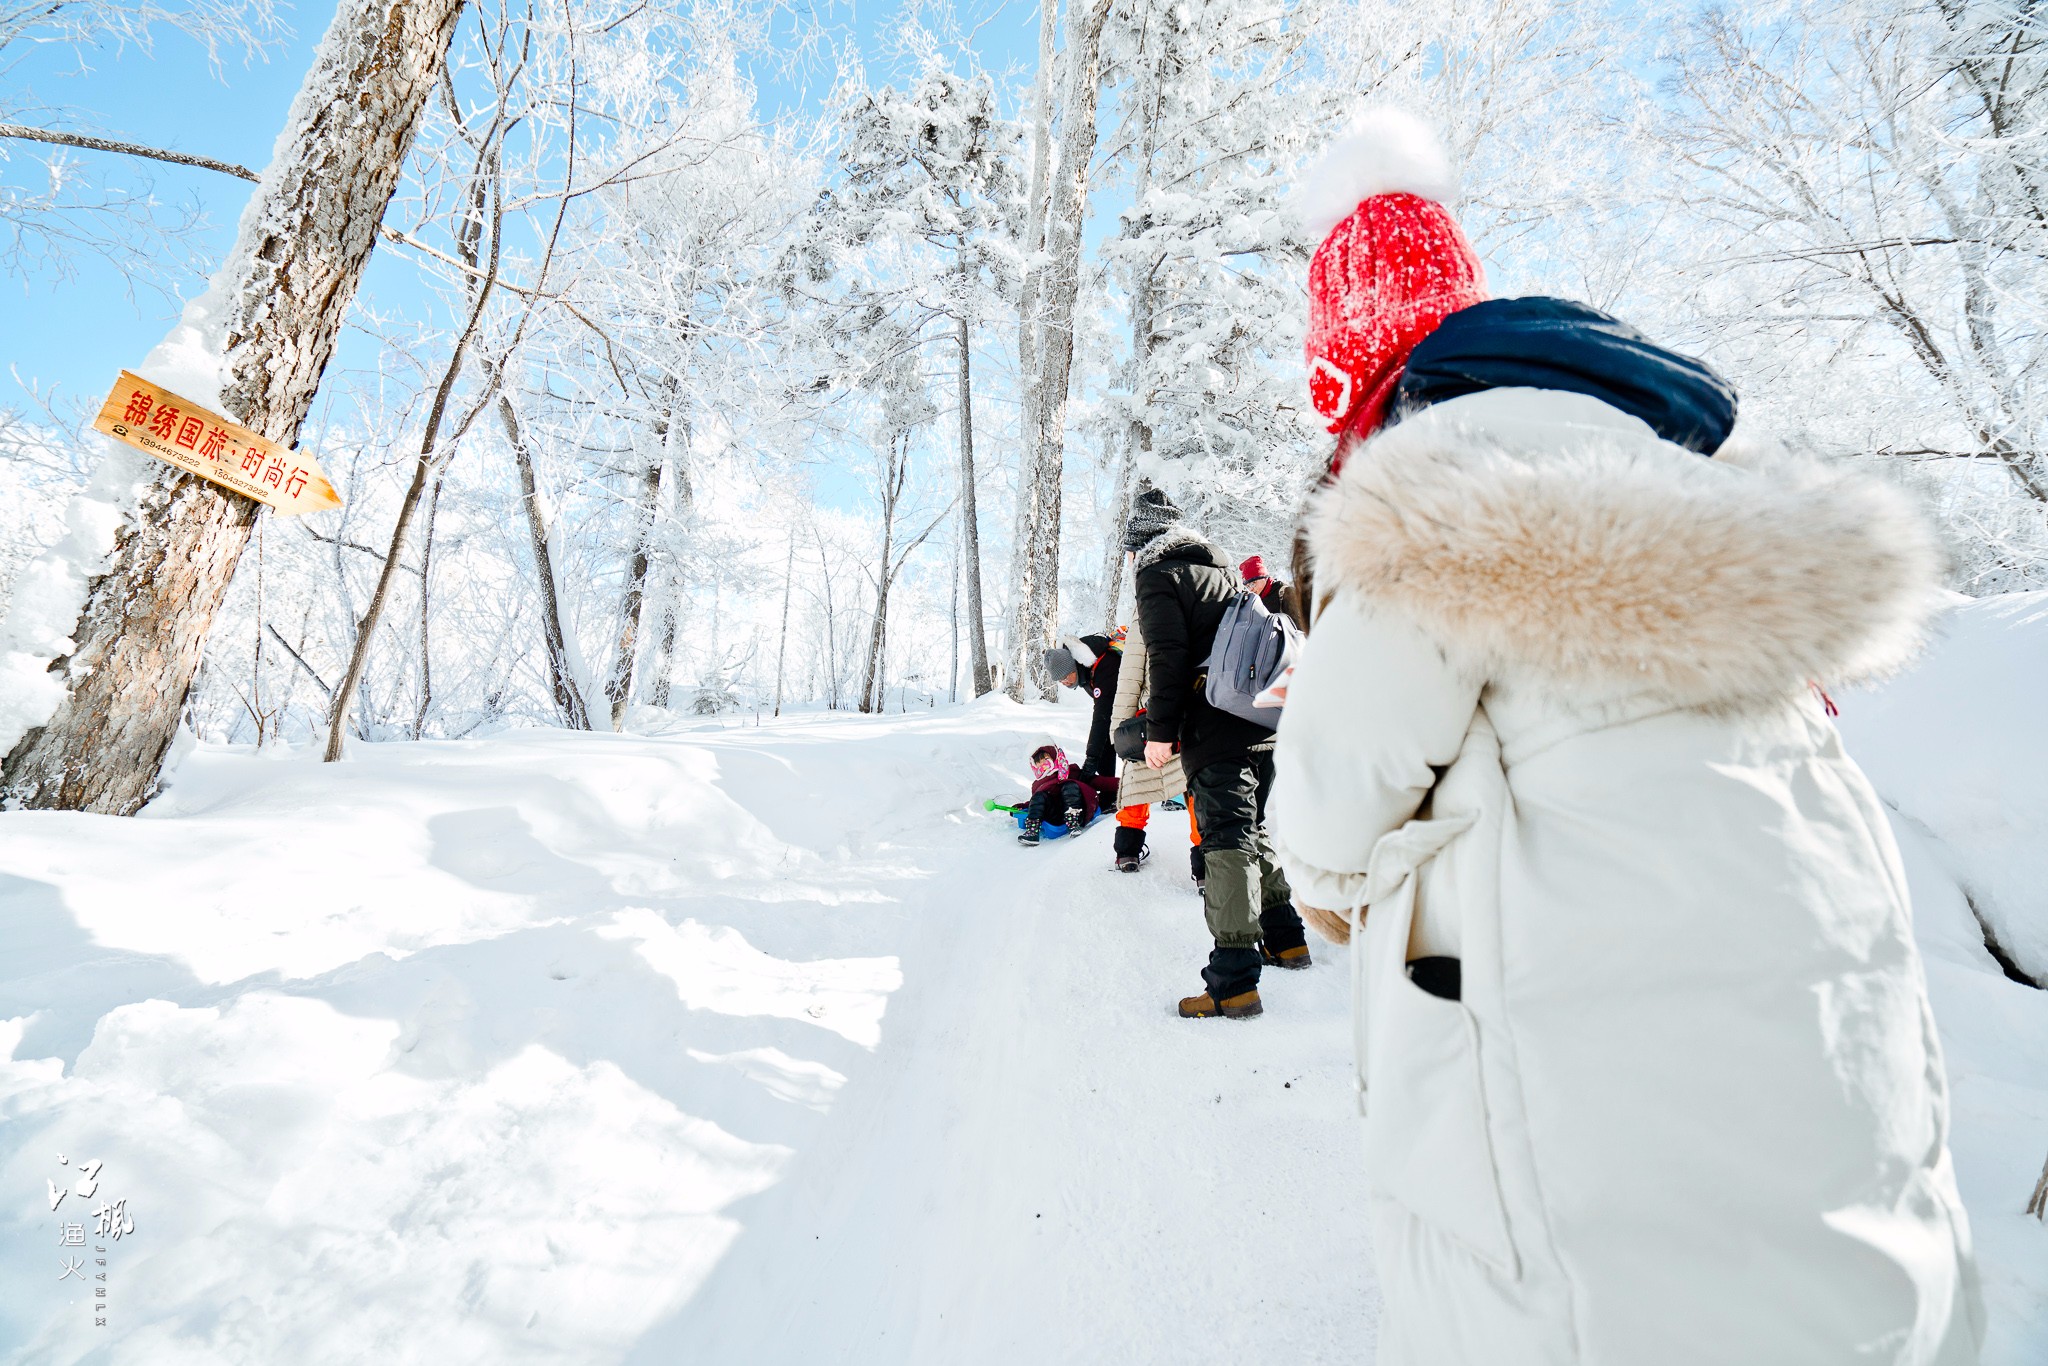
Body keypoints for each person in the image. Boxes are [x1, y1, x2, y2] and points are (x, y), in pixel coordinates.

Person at [1269, 111, 1979, 1363]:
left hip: (1583, 1211)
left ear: (1356, 377)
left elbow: (1329, 811)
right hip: (1849, 1167)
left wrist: (1334, 893)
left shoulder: (1427, 500)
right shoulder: (1699, 495)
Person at [1126, 488, 1311, 1020]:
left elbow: (1168, 657)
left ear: (1144, 541)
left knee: (1225, 843)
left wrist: (1160, 731)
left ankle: (1233, 982)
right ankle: (1286, 938)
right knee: (1249, 831)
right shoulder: (1221, 571)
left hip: (1214, 729)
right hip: (1258, 721)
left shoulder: (1158, 575)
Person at [1106, 611, 1202, 878]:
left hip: (1150, 714)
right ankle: (1206, 867)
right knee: (1195, 786)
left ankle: (1127, 852)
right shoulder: (1199, 598)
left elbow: (1130, 677)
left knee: (1138, 778)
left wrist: (1119, 729)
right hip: (1194, 711)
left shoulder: (1145, 612)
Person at [1043, 631, 1122, 782]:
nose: (1065, 682)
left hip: (1145, 703)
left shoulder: (1104, 665)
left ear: (1073, 667)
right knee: (1105, 739)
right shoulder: (1085, 672)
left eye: (1065, 677)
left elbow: (1102, 715)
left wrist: (1091, 759)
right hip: (1119, 704)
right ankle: (1108, 792)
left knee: (1127, 741)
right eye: (1060, 680)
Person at [1018, 742, 1096, 847]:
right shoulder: (1038, 784)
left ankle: (1073, 822)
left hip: (1075, 809)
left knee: (1069, 785)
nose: (1043, 764)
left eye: (1045, 759)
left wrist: (1121, 785)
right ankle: (1032, 832)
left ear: (1054, 757)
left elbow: (1096, 781)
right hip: (1054, 815)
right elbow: (1037, 802)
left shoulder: (1070, 770)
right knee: (1039, 795)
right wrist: (1022, 806)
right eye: (1038, 762)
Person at [1235, 555, 1301, 628]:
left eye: (1253, 584)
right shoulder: (1255, 601)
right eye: (1248, 586)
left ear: (1263, 578)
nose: (1251, 589)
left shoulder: (1285, 593)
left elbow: (1301, 627)